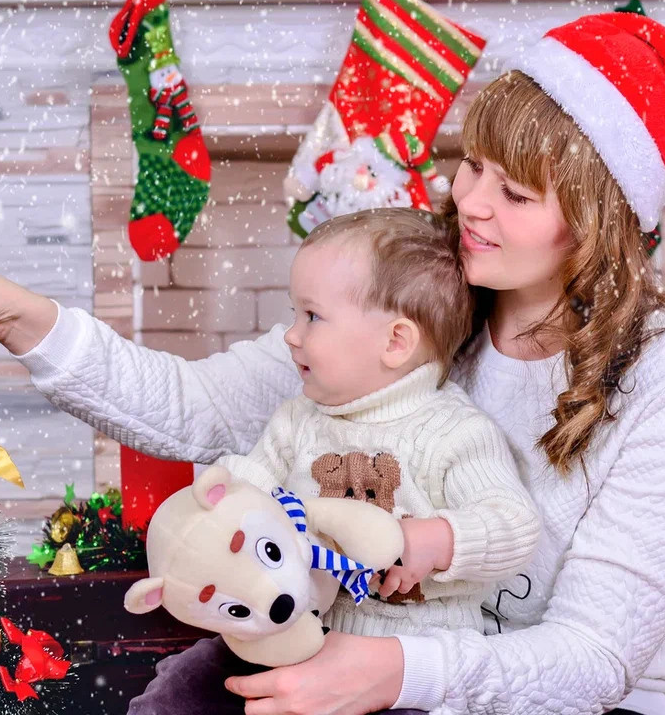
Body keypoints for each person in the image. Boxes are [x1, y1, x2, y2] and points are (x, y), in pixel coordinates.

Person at [0, 11, 665, 715]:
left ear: (597, 222)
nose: (472, 202)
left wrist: (397, 673)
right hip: (354, 662)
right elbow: (197, 409)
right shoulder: (420, 297)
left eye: (516, 195)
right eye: (474, 164)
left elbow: (593, 658)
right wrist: (27, 321)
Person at [129, 206, 540, 713]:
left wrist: (436, 540)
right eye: (294, 314)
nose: (291, 334)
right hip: (291, 633)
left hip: (405, 658)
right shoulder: (297, 421)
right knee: (181, 689)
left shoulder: (455, 432)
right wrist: (213, 508)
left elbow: (515, 524)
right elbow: (247, 490)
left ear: (395, 341)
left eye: (312, 316)